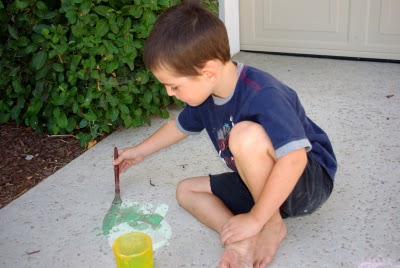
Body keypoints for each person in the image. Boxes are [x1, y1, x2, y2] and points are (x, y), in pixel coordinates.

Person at [113, 0, 337, 267]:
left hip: (307, 181)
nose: (169, 93)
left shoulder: (262, 93)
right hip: (260, 183)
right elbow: (177, 127)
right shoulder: (205, 95)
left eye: (173, 86)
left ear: (207, 72)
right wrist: (139, 151)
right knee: (187, 191)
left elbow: (296, 159)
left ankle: (271, 224)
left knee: (243, 136)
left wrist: (257, 217)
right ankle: (238, 238)